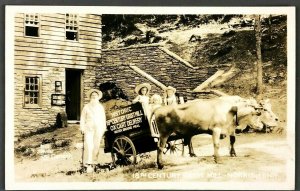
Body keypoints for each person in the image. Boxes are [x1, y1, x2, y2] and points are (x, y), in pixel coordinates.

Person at [80, 89, 106, 173]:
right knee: (89, 145)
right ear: (90, 97)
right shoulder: (86, 107)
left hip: (98, 128)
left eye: (95, 96)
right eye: (92, 96)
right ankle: (89, 163)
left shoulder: (100, 107)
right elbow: (83, 118)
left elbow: (103, 118)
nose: (94, 97)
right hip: (89, 128)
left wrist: (104, 127)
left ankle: (95, 162)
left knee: (96, 145)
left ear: (98, 97)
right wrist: (82, 128)